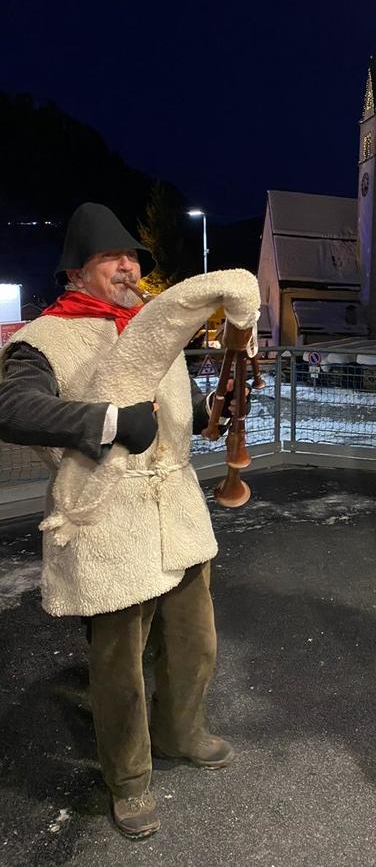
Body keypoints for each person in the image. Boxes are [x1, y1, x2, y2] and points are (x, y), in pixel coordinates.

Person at [0, 203, 238, 840]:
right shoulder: (45, 336)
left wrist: (211, 410)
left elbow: (176, 412)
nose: (131, 267)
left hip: (175, 507)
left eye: (134, 257)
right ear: (77, 271)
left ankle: (181, 731)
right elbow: (12, 407)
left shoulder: (150, 326)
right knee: (119, 661)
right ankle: (128, 780)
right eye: (114, 258)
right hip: (107, 514)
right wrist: (106, 422)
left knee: (194, 640)